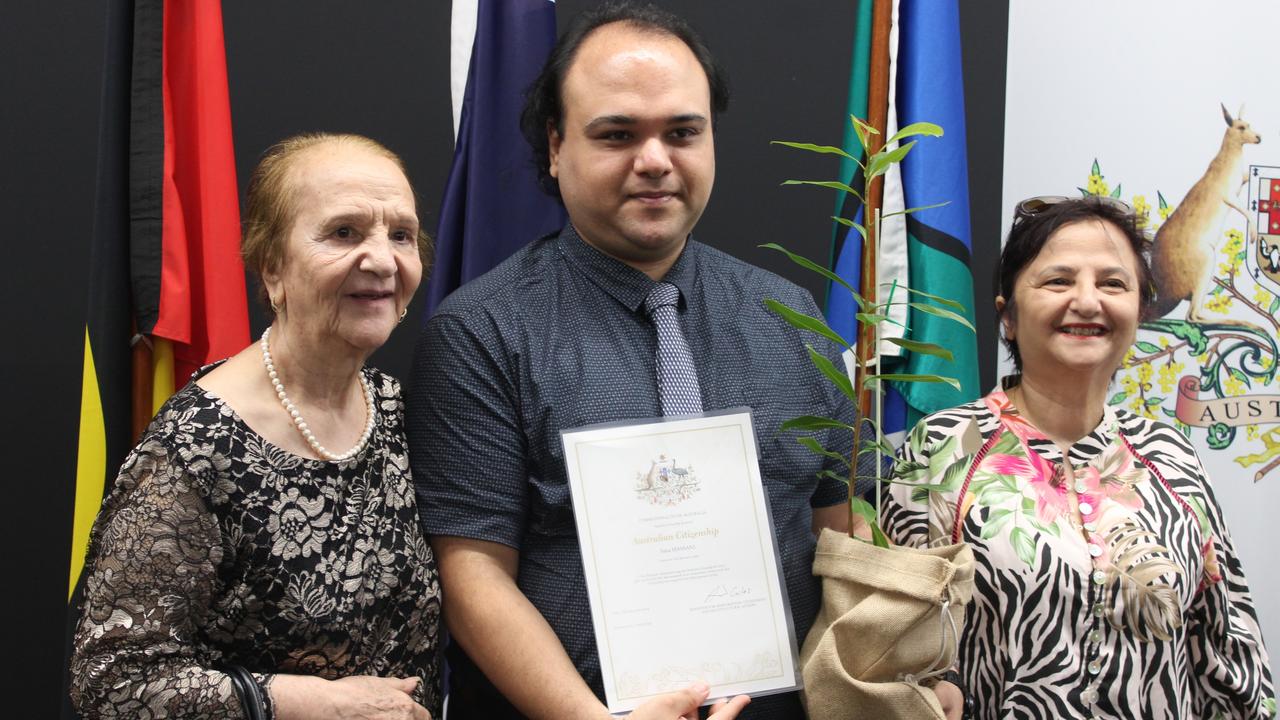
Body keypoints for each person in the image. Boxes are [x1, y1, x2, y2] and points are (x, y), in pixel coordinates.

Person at [405, 3, 888, 718]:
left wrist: (891, 668)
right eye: (618, 134)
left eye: (682, 132)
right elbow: (473, 579)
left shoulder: (791, 319)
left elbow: (844, 532)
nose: (655, 160)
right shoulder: (481, 333)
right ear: (555, 146)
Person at [70, 133, 442, 719]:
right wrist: (305, 703)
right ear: (272, 268)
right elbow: (112, 683)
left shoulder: (394, 407)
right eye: (344, 232)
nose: (382, 259)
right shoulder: (197, 446)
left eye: (400, 234)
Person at [881, 195, 1276, 718]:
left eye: (1113, 283)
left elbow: (1226, 645)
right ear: (1008, 317)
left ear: (1139, 312)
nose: (1088, 301)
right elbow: (892, 643)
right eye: (1058, 281)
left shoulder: (1170, 453)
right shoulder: (942, 450)